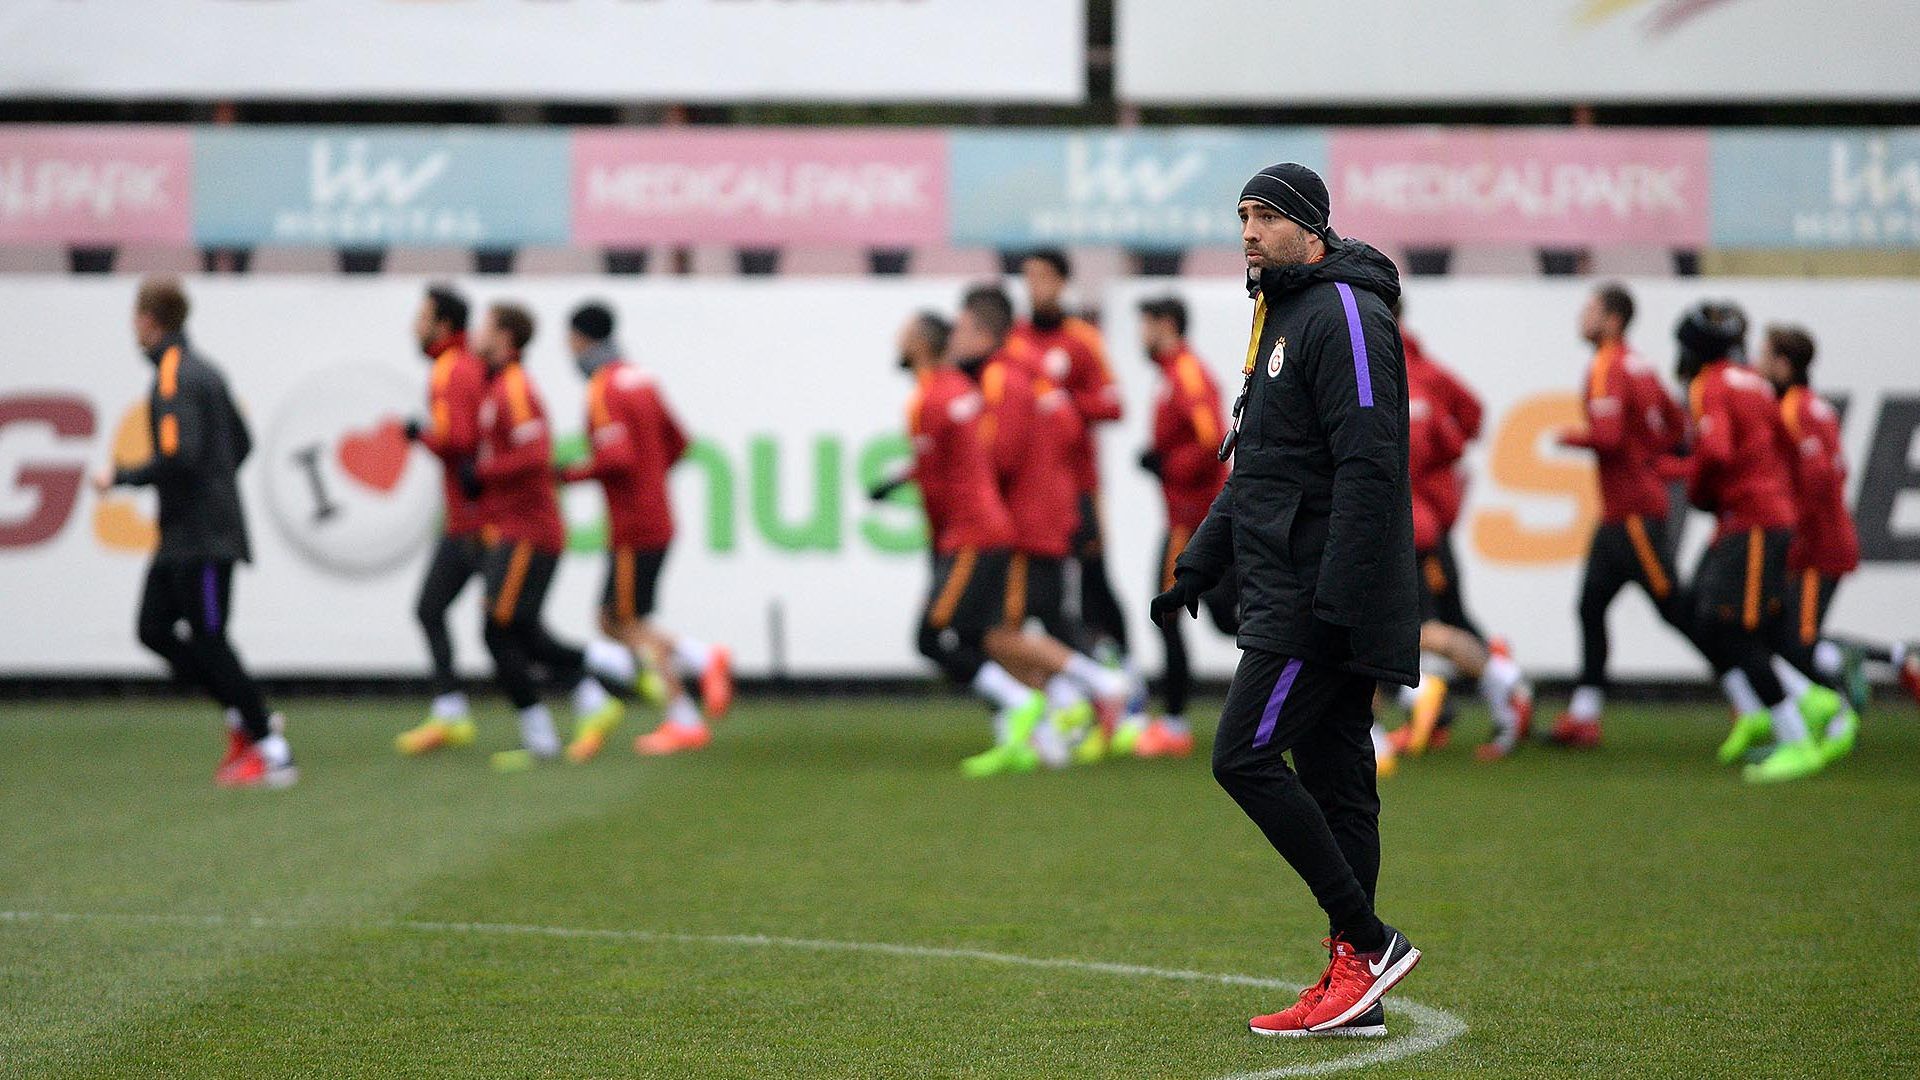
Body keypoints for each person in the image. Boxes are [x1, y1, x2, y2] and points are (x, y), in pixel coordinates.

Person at [1153, 164, 1420, 1038]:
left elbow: (1370, 462)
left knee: (1243, 758)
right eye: (1242, 216)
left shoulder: (1344, 312)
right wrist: (1198, 564)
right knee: (1341, 786)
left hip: (1317, 594)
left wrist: (1340, 590)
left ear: (1310, 226)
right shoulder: (1280, 308)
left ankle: (1370, 945)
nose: (1250, 230)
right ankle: (1356, 987)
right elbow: (1261, 462)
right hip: (1290, 584)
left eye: (1266, 215)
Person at [881, 302, 1130, 778]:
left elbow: (974, 470)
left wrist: (939, 551)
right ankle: (1047, 730)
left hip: (981, 532)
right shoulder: (964, 386)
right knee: (987, 633)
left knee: (947, 635)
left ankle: (1064, 695)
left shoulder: (944, 394)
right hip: (999, 527)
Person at [92, 276, 294, 788]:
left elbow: (180, 456)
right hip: (185, 536)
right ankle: (243, 714)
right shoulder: (204, 370)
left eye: (136, 317)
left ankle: (272, 748)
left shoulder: (175, 376)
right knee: (153, 629)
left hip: (202, 538)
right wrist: (216, 483)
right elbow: (240, 443)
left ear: (148, 320)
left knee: (208, 637)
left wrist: (121, 476)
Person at [556, 302, 732, 760]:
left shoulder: (603, 388)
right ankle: (698, 659)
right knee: (611, 619)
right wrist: (652, 480)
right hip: (653, 516)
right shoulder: (641, 378)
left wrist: (567, 475)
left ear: (578, 339)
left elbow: (616, 459)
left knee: (628, 622)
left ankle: (685, 714)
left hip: (634, 523)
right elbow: (680, 443)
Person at [1671, 303, 1830, 783]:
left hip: (1752, 519)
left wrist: (1694, 484)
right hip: (1758, 516)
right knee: (1719, 616)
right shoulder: (1752, 381)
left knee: (1732, 630)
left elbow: (1715, 451)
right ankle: (1806, 698)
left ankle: (1797, 734)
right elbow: (1786, 448)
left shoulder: (1709, 384)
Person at [468, 302, 622, 767]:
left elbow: (536, 454)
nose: (478, 335)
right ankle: (595, 686)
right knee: (522, 630)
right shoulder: (500, 387)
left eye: (486, 327)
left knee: (497, 628)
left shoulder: (514, 387)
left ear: (505, 338)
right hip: (519, 529)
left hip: (529, 531)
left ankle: (550, 725)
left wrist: (483, 471)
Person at [1550, 284, 1702, 749]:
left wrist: (1570, 437)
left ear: (1613, 320)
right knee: (1590, 607)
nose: (1583, 316)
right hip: (1622, 513)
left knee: (1676, 609)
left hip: (1634, 514)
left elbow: (1611, 437)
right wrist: (1651, 458)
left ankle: (1759, 688)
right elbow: (1677, 427)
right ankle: (1585, 715)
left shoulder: (1609, 364)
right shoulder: (1639, 363)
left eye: (1592, 309)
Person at [1388, 299, 1532, 762]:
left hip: (1409, 527)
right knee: (1444, 623)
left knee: (1409, 628)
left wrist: (1431, 479)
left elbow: (1456, 429)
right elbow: (1457, 432)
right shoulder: (1417, 372)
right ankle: (1498, 693)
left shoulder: (1399, 376)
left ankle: (1487, 693)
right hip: (1422, 523)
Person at [1009, 251, 1135, 689]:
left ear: (1062, 283)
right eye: (1028, 277)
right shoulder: (1015, 340)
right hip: (1031, 490)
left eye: (1043, 277)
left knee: (1093, 581)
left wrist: (1063, 401)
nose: (1035, 286)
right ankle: (1073, 687)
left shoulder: (1081, 339)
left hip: (1079, 484)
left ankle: (1124, 672)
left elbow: (1115, 404)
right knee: (1040, 595)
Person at [1135, 295, 1236, 760]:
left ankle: (1174, 723)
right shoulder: (1173, 374)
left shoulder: (1186, 373)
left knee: (1169, 610)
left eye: (1146, 324)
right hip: (1191, 515)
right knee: (1224, 615)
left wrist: (1166, 464)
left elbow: (1212, 440)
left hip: (1195, 519)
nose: (1140, 335)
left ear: (1166, 324)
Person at [395, 285, 490, 756]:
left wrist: (419, 435)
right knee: (508, 627)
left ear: (444, 325)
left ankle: (601, 679)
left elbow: (459, 440)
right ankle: (450, 712)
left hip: (473, 520)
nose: (415, 325)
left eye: (422, 316)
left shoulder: (450, 369)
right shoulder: (466, 364)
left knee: (507, 628)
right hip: (474, 515)